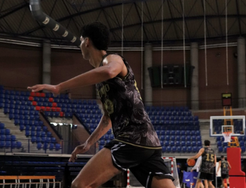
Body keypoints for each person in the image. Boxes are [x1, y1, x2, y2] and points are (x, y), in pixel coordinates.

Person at [28, 22, 175, 188]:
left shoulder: (113, 59)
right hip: (149, 143)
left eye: (81, 40)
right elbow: (108, 118)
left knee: (80, 185)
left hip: (132, 139)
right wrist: (89, 143)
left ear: (87, 42)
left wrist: (59, 87)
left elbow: (109, 71)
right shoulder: (102, 81)